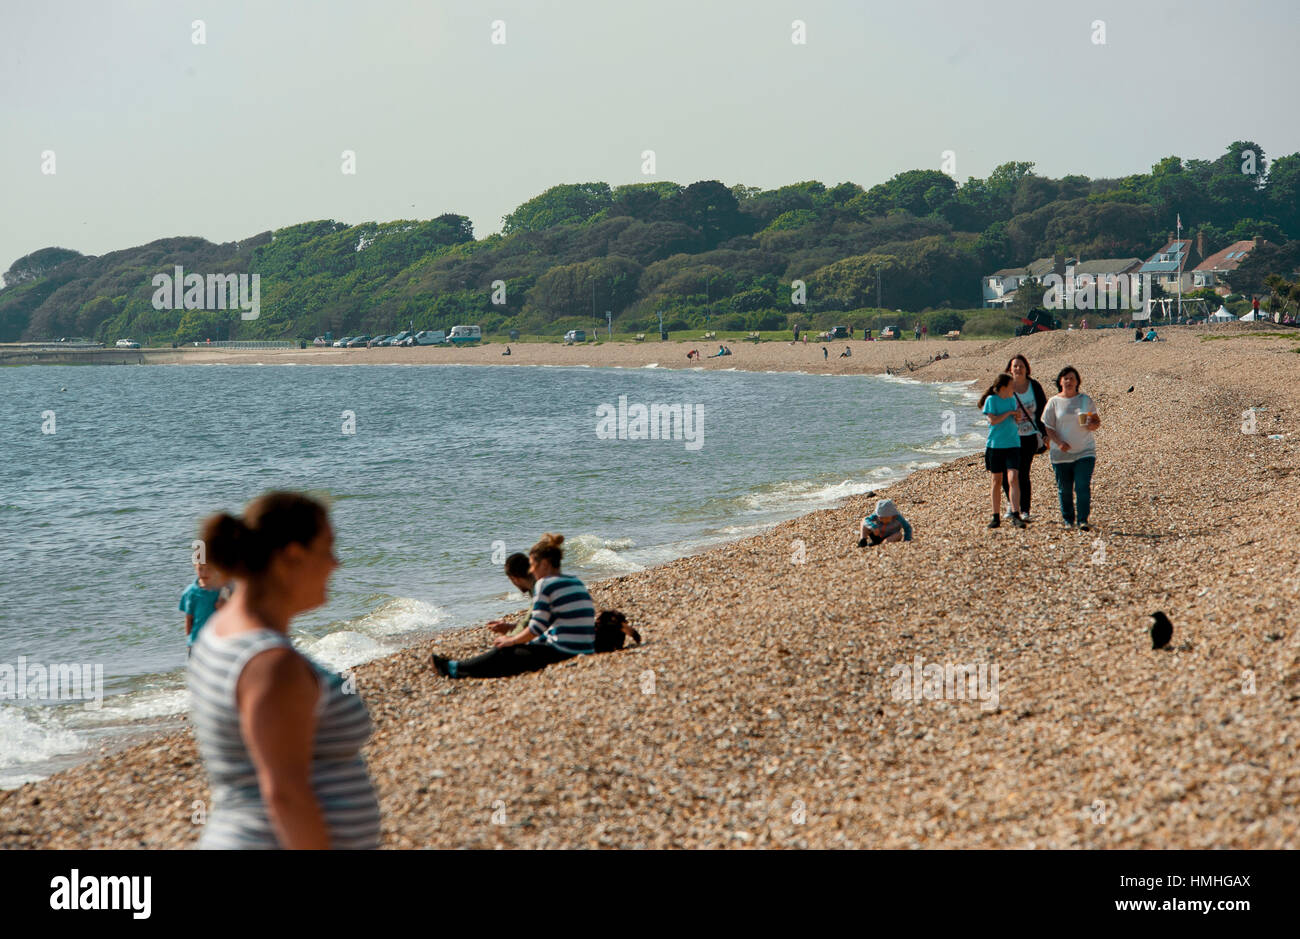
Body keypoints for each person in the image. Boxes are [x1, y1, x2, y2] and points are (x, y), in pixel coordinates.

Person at [187, 492, 380, 849]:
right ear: (291, 557)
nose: (336, 564)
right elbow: (284, 795)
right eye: (327, 548)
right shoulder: (271, 665)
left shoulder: (221, 630)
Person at [432, 533, 595, 679]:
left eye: (532, 565)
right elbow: (551, 623)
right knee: (519, 650)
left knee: (505, 651)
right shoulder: (575, 581)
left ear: (544, 564)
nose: (531, 570)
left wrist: (512, 640)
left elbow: (536, 628)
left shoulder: (545, 584)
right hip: (586, 647)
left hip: (565, 650)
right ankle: (458, 667)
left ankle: (454, 669)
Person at [1041, 366, 1102, 531]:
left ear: (1077, 382)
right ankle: (1068, 519)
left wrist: (1093, 424)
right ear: (1060, 381)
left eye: (1072, 378)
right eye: (1065, 378)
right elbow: (1048, 427)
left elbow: (1096, 421)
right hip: (1060, 453)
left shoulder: (1085, 400)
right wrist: (1059, 442)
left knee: (1082, 486)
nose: (1068, 381)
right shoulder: (1053, 402)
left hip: (1085, 451)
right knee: (1065, 489)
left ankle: (1083, 520)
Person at [999, 354, 1048, 522]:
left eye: (1021, 366)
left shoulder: (1034, 386)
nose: (1018, 369)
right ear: (1009, 369)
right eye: (1015, 366)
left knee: (1023, 473)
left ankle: (1025, 510)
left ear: (1027, 369)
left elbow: (1043, 409)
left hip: (1028, 436)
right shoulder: (1004, 387)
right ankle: (1012, 505)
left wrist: (1045, 433)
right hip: (1008, 437)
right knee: (1007, 474)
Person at [980, 373, 1024, 528]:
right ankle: (995, 516)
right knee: (996, 481)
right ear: (1004, 387)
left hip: (1013, 444)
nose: (1014, 388)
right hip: (995, 446)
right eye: (1012, 385)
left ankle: (1016, 514)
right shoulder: (991, 400)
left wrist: (1017, 416)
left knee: (1013, 478)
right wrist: (1010, 413)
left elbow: (1015, 420)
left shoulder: (1012, 400)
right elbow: (993, 420)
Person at [181, 561, 229, 651]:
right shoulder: (190, 592)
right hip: (196, 641)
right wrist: (189, 641)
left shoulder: (220, 589)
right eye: (200, 569)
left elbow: (233, 612)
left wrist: (224, 605)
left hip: (216, 640)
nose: (204, 573)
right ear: (195, 567)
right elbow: (188, 619)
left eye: (209, 569)